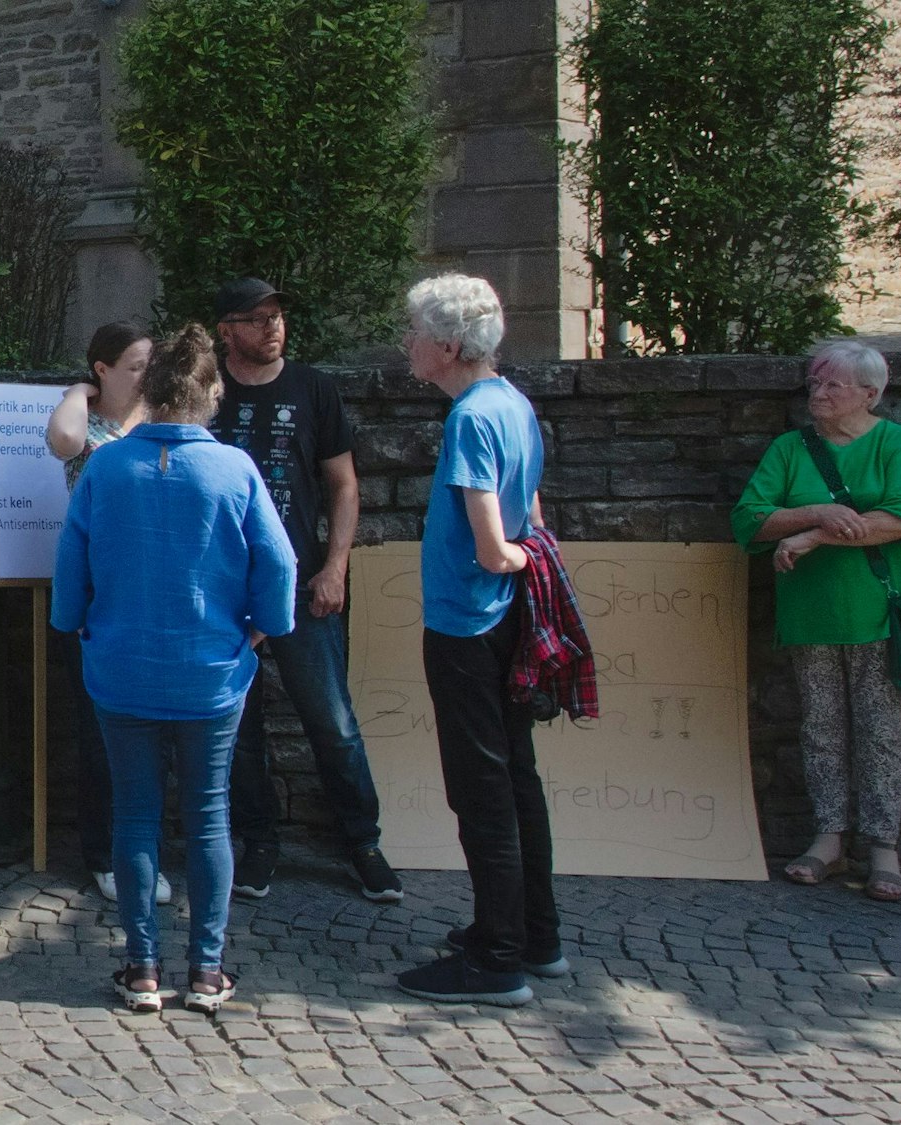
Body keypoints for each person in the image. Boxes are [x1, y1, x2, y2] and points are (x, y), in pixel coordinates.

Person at [51, 324, 296, 1015]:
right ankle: (209, 970)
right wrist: (256, 632)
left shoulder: (106, 467)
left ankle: (142, 966)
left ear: (151, 392)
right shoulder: (234, 470)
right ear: (211, 394)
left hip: (121, 667)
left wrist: (79, 626)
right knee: (209, 813)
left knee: (135, 814)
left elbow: (70, 577)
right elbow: (279, 568)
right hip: (211, 671)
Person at [209, 277, 400, 904]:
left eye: (278, 315)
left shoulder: (313, 387)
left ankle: (364, 843)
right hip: (223, 587)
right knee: (238, 728)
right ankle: (258, 842)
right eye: (256, 317)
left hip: (300, 582)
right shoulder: (208, 390)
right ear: (225, 330)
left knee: (332, 720)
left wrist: (335, 566)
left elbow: (343, 483)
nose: (272, 327)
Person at [395, 274, 555, 1008]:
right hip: (504, 620)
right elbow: (535, 513)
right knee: (516, 776)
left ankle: (497, 959)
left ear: (449, 346)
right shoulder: (512, 404)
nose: (408, 344)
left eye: (416, 332)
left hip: (469, 623)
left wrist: (524, 558)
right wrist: (530, 554)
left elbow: (496, 545)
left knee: (482, 788)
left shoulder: (470, 420)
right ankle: (533, 932)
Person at [732, 341, 901, 904]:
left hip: (877, 611)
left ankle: (883, 848)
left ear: (870, 394)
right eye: (814, 384)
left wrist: (815, 535)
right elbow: (750, 519)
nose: (818, 394)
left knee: (880, 732)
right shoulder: (790, 448)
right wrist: (818, 512)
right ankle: (827, 839)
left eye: (832, 386)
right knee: (820, 728)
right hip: (810, 614)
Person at [44, 321, 168, 905]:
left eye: (151, 365)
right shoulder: (88, 421)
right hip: (98, 591)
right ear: (103, 369)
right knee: (99, 728)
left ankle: (147, 851)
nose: (147, 376)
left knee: (154, 727)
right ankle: (105, 853)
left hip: (158, 588)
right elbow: (63, 444)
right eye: (137, 365)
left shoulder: (167, 418)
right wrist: (77, 393)